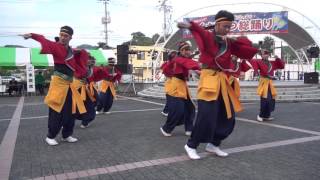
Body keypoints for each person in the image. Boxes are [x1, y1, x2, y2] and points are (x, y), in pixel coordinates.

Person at [178, 10, 258, 159]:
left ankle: (214, 144)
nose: (227, 30)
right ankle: (191, 145)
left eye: (229, 27)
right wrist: (191, 26)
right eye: (225, 26)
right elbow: (201, 33)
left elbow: (244, 50)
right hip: (209, 79)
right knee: (206, 115)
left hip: (223, 81)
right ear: (217, 24)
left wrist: (241, 39)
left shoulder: (228, 41)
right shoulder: (209, 36)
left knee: (227, 116)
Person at [21, 26, 87, 146]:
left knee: (70, 111)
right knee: (56, 110)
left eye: (66, 36)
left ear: (70, 37)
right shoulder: (56, 46)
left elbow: (81, 57)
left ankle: (66, 135)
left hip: (69, 85)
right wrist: (31, 35)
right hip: (58, 84)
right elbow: (43, 39)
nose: (63, 37)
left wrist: (80, 52)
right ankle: (50, 136)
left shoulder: (71, 51)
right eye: (61, 35)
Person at [160, 41, 200, 137]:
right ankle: (167, 129)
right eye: (184, 50)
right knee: (178, 110)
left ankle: (189, 129)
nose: (187, 51)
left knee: (190, 108)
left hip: (182, 84)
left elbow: (188, 65)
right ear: (180, 51)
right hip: (176, 85)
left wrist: (199, 71)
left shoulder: (183, 59)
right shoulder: (178, 59)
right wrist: (200, 66)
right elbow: (188, 63)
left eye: (188, 50)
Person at [249, 50, 285, 122]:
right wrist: (256, 72)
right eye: (263, 54)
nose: (265, 55)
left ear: (268, 55)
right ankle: (260, 115)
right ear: (261, 56)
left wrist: (277, 58)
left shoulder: (272, 63)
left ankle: (267, 115)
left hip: (270, 83)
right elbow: (252, 61)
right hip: (263, 82)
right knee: (264, 100)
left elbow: (281, 66)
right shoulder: (259, 61)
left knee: (271, 99)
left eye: (266, 54)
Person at [160, 50, 177, 117]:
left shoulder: (169, 63)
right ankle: (166, 111)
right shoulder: (169, 63)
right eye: (175, 56)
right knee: (170, 99)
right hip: (170, 83)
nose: (176, 57)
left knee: (171, 99)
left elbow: (162, 69)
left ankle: (166, 111)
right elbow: (164, 70)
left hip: (171, 82)